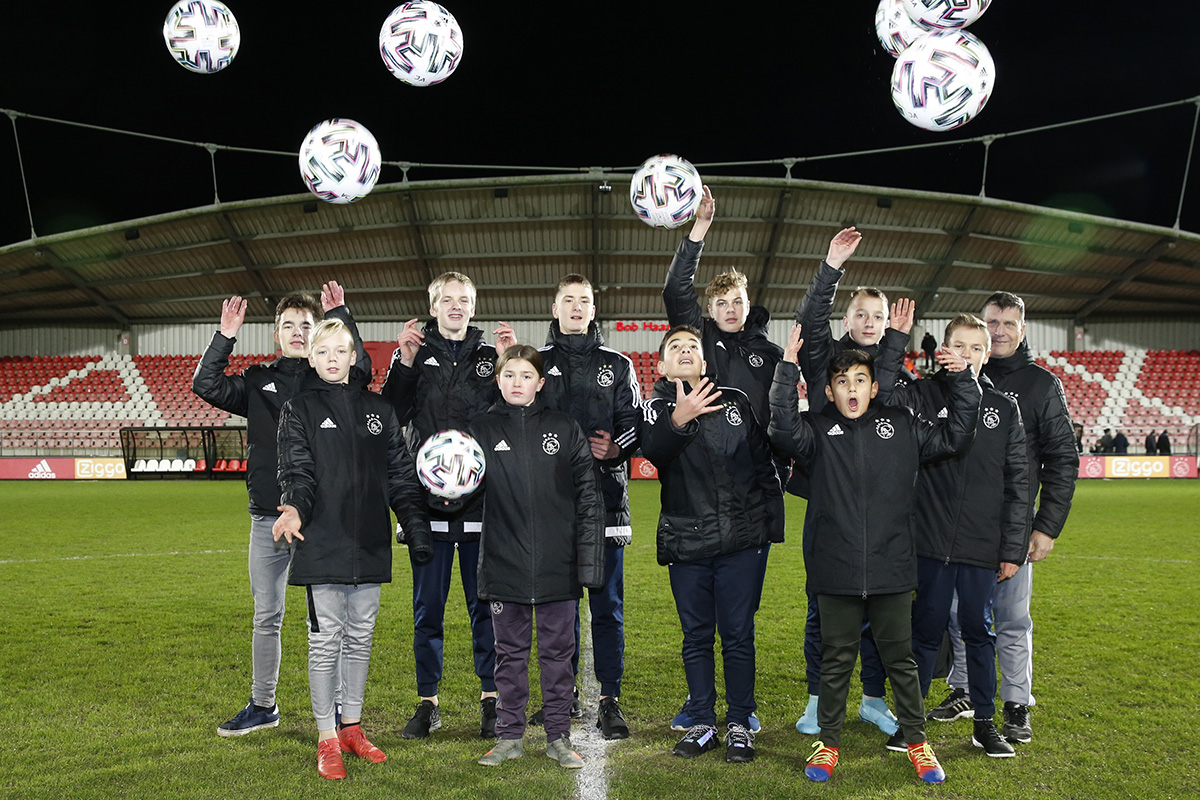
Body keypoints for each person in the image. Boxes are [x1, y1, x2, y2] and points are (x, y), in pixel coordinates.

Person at [768, 332, 981, 784]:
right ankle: (828, 744)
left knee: (899, 659)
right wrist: (787, 368)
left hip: (892, 567)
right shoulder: (819, 432)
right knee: (836, 659)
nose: (851, 389)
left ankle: (919, 743)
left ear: (873, 388)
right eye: (842, 382)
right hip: (836, 569)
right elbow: (782, 429)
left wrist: (962, 380)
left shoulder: (902, 426)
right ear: (829, 392)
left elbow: (958, 435)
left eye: (860, 380)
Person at [192, 283, 369, 737]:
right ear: (276, 334)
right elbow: (206, 384)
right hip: (267, 518)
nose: (296, 332)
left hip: (319, 520)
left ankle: (331, 713)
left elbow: (363, 371)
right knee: (266, 614)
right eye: (288, 325)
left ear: (317, 334)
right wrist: (225, 335)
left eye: (305, 326)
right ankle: (263, 704)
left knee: (325, 622)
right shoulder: (256, 382)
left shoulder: (330, 380)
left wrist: (342, 316)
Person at [273, 319, 433, 780]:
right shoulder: (298, 409)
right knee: (325, 643)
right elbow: (296, 472)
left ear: (353, 357)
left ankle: (352, 729)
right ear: (312, 357)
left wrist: (415, 525)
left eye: (340, 351)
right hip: (320, 540)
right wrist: (296, 511)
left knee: (360, 637)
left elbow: (401, 476)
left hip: (369, 542)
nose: (331, 359)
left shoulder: (379, 409)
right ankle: (326, 738)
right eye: (323, 352)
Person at [875, 312, 1031, 759]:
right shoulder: (920, 396)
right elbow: (881, 394)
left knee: (977, 632)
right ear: (942, 351)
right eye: (957, 346)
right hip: (927, 541)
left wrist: (1012, 548)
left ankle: (984, 724)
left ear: (987, 355)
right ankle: (912, 722)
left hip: (981, 546)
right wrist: (897, 341)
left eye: (975, 348)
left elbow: (1018, 483)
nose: (966, 355)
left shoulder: (1004, 408)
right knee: (924, 631)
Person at [928, 291, 1077, 745]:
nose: (999, 331)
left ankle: (1015, 704)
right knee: (957, 616)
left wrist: (1046, 526)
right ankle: (963, 690)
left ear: (1022, 329)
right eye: (992, 322)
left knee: (1011, 620)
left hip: (1010, 527)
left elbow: (1062, 458)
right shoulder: (956, 376)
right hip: (955, 528)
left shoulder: (1040, 385)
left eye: (1009, 323)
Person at [662, 186, 781, 734]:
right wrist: (698, 233)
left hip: (748, 497)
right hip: (695, 492)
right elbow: (676, 291)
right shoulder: (699, 344)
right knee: (698, 626)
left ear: (749, 303)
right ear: (709, 314)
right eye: (722, 303)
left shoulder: (772, 354)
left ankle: (739, 708)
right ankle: (701, 705)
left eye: (738, 301)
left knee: (738, 623)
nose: (731, 309)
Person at [639, 325, 785, 764]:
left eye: (692, 347)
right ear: (662, 365)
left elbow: (764, 465)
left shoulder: (736, 401)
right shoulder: (656, 408)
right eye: (675, 347)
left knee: (738, 635)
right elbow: (653, 451)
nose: (685, 351)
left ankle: (740, 721)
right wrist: (679, 418)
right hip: (687, 543)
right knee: (696, 636)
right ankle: (703, 720)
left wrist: (769, 530)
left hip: (743, 543)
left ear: (705, 362)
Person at [380, 272, 515, 740]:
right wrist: (406, 363)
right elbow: (391, 413)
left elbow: (512, 415)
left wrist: (507, 365)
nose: (456, 307)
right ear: (433, 306)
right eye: (448, 300)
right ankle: (428, 703)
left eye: (464, 300)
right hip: (427, 504)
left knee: (485, 606)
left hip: (482, 502)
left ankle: (491, 700)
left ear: (473, 307)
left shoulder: (488, 356)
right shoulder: (416, 353)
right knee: (428, 608)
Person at [790, 226, 911, 740]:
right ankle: (820, 699)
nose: (868, 322)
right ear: (848, 318)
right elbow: (811, 320)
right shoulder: (826, 360)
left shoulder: (893, 370)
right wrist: (831, 267)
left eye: (877, 316)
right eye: (860, 314)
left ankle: (874, 700)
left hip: (882, 510)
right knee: (825, 609)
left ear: (886, 324)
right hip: (829, 501)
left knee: (881, 617)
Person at [471, 345, 605, 770]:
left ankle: (558, 737)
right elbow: (462, 490)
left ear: (540, 383)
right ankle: (509, 737)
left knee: (557, 654)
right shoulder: (480, 430)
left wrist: (587, 560)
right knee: (508, 655)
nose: (516, 383)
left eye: (526, 375)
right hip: (503, 561)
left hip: (557, 564)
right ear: (498, 379)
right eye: (509, 374)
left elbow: (588, 497)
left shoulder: (564, 428)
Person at [534, 273, 641, 739]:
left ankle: (609, 698)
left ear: (593, 310)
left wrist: (617, 447)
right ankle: (564, 695)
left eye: (584, 301)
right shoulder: (538, 364)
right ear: (555, 309)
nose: (577, 307)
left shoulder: (617, 365)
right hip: (551, 507)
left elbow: (637, 423)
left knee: (607, 606)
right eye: (568, 300)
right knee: (559, 607)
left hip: (606, 503)